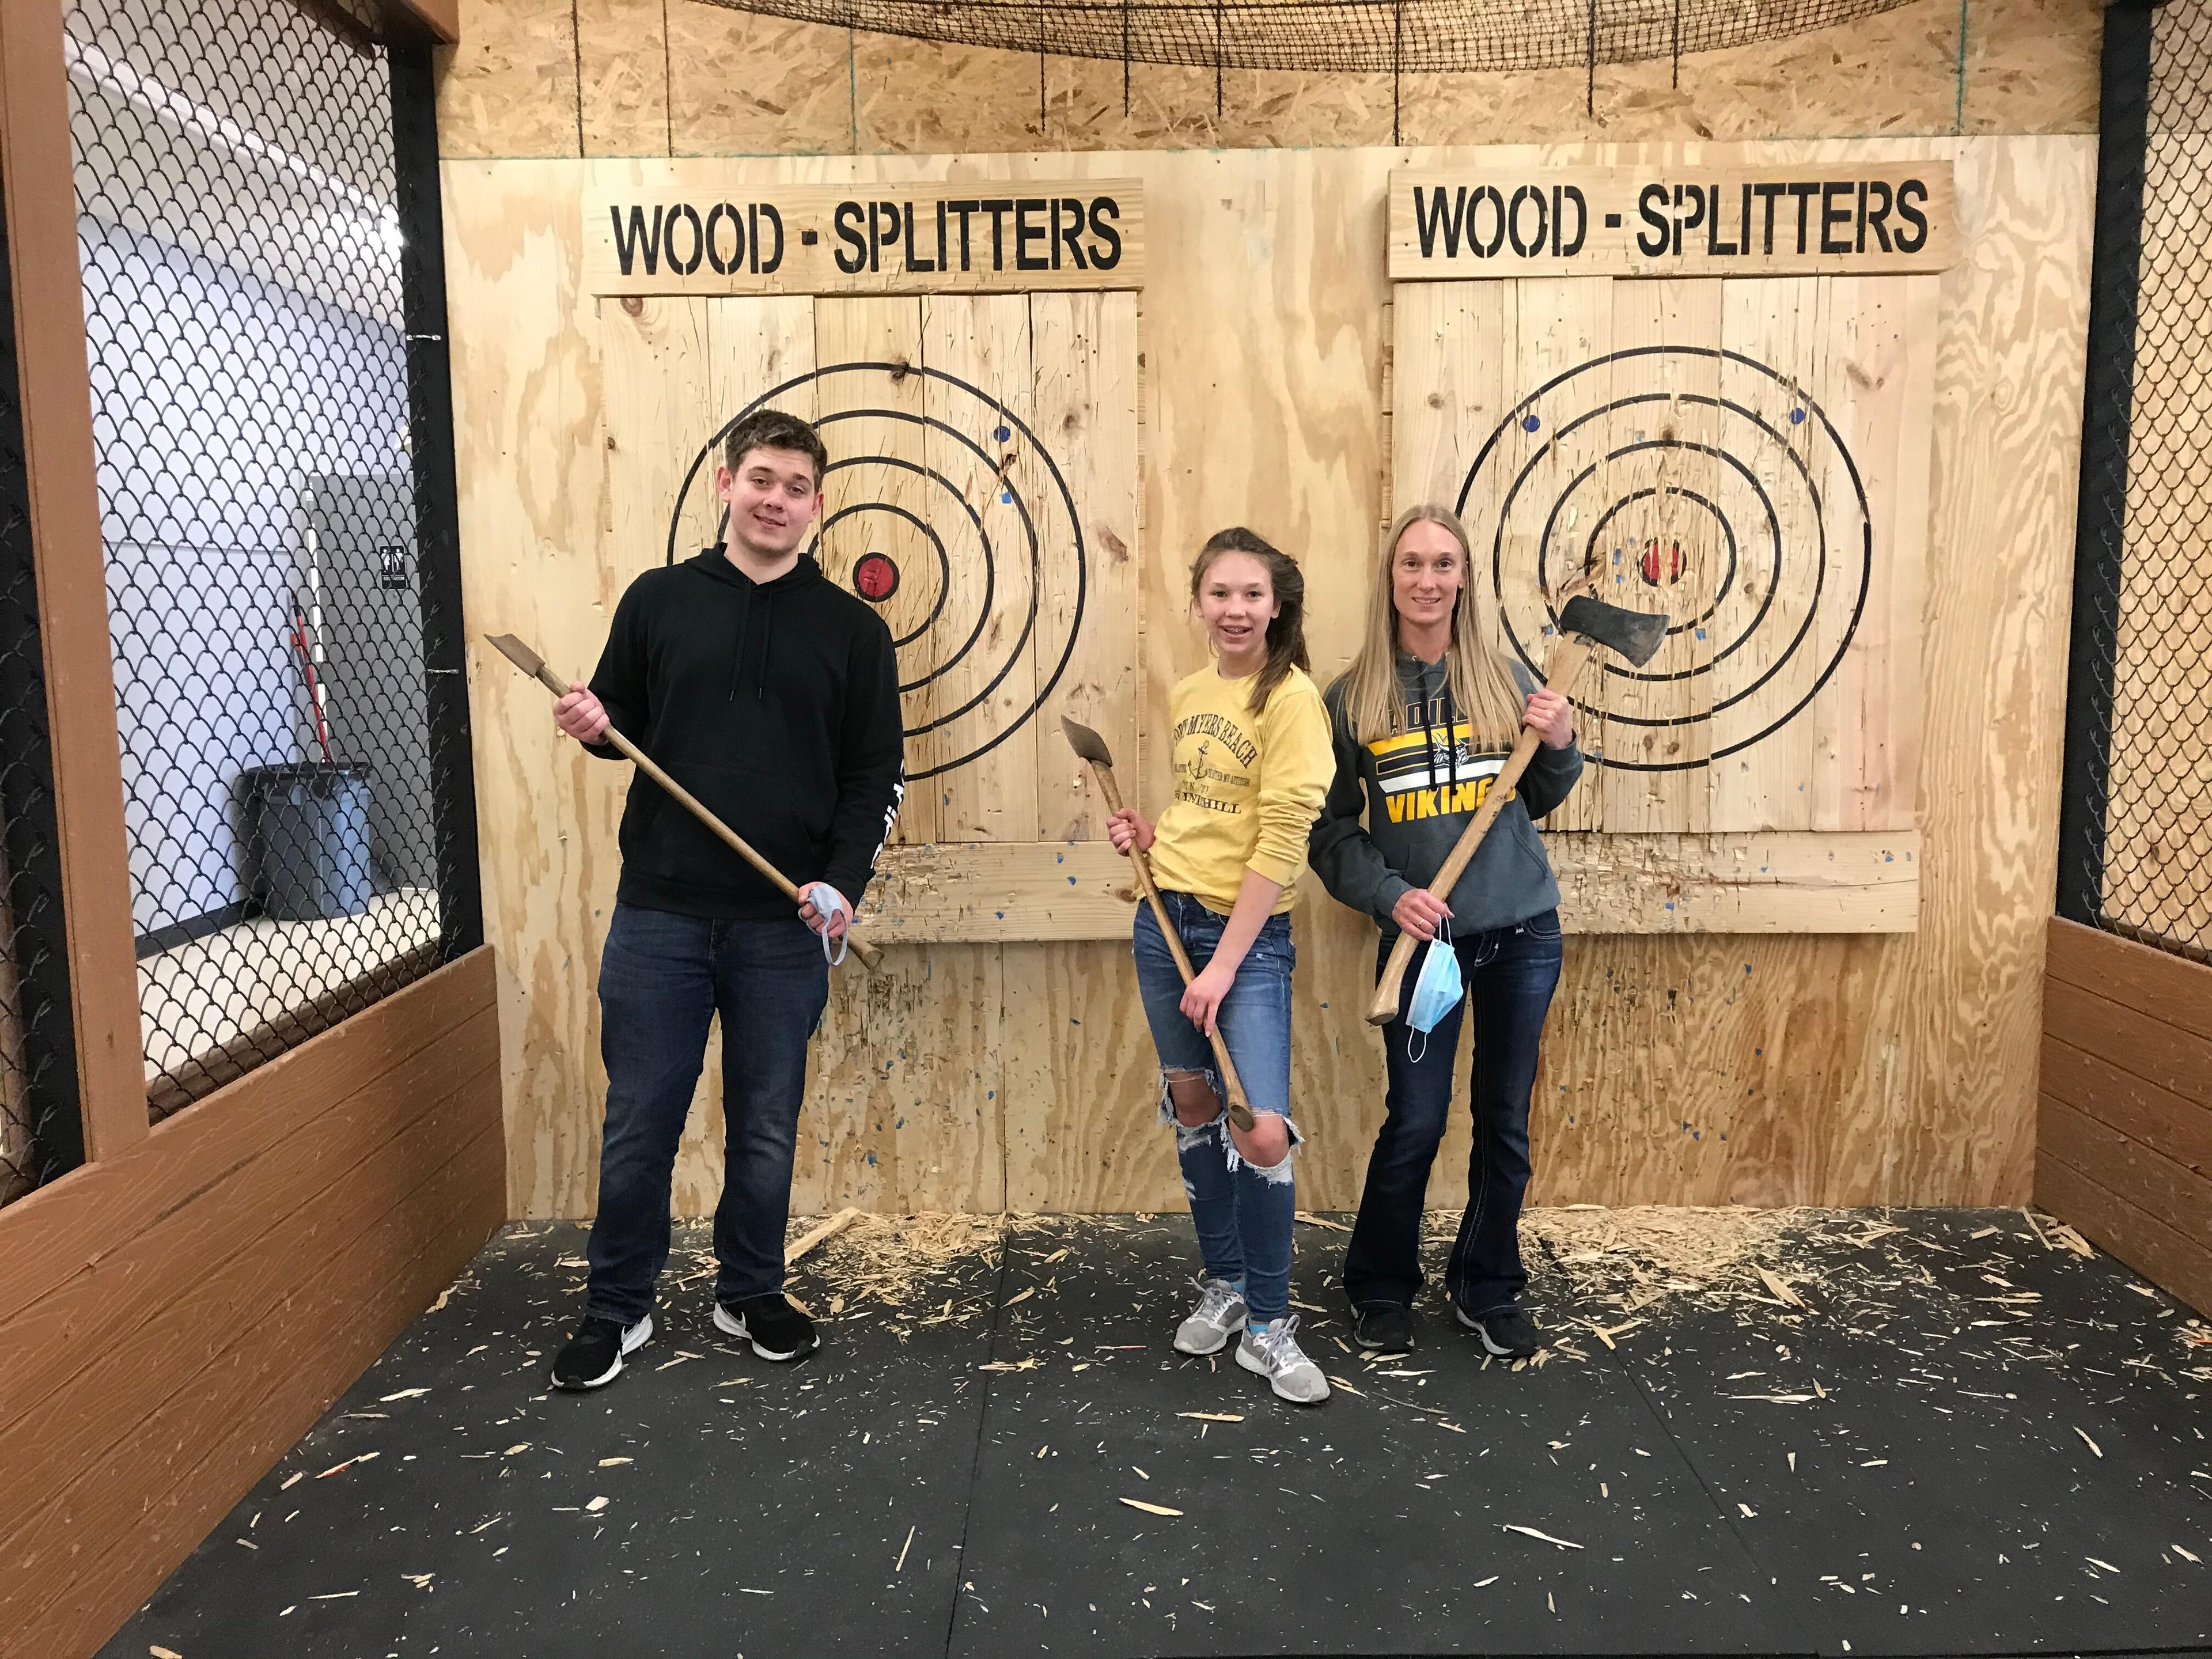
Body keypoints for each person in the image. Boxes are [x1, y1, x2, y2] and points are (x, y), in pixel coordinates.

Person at [546, 408, 905, 1391]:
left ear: (818, 506)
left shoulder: (852, 631)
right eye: (761, 479)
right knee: (641, 1121)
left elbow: (874, 774)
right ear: (724, 483)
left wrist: (841, 878)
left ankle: (748, 1290)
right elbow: (613, 721)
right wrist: (587, 721)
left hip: (780, 926)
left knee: (764, 1123)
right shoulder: (659, 601)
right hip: (659, 913)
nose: (776, 500)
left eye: (796, 487)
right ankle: (617, 1307)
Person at [1309, 505, 1582, 1359]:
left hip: (1523, 934)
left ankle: (1488, 1285)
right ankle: (1381, 1285)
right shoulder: (1353, 700)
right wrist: (1392, 896)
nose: (1427, 580)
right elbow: (1330, 835)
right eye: (1412, 565)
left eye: (1444, 565)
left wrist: (1564, 745)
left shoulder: (1505, 680)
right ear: (1391, 580)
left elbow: (1535, 798)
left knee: (1504, 1119)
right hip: (1423, 946)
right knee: (1417, 1121)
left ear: (1464, 579)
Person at [1107, 528, 1335, 1405]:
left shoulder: (1294, 702)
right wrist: (1151, 840)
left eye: (1252, 595)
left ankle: (1273, 1324)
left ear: (1277, 606)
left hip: (1245, 941)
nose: (1235, 610)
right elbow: (1211, 817)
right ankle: (1230, 1284)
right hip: (1164, 922)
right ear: (1197, 602)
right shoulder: (1195, 691)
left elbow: (1282, 846)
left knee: (1261, 1127)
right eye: (1220, 594)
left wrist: (1223, 967)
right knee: (1195, 1103)